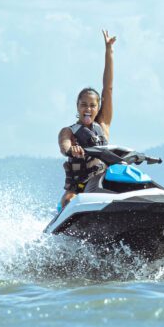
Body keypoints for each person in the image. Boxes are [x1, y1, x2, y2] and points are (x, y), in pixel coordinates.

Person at [58, 30, 116, 209]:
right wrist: (72, 149)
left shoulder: (103, 125)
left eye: (92, 105)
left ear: (98, 107)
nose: (88, 109)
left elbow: (108, 88)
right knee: (68, 199)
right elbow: (64, 146)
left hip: (101, 181)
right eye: (84, 105)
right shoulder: (69, 131)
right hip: (79, 187)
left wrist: (109, 51)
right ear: (77, 106)